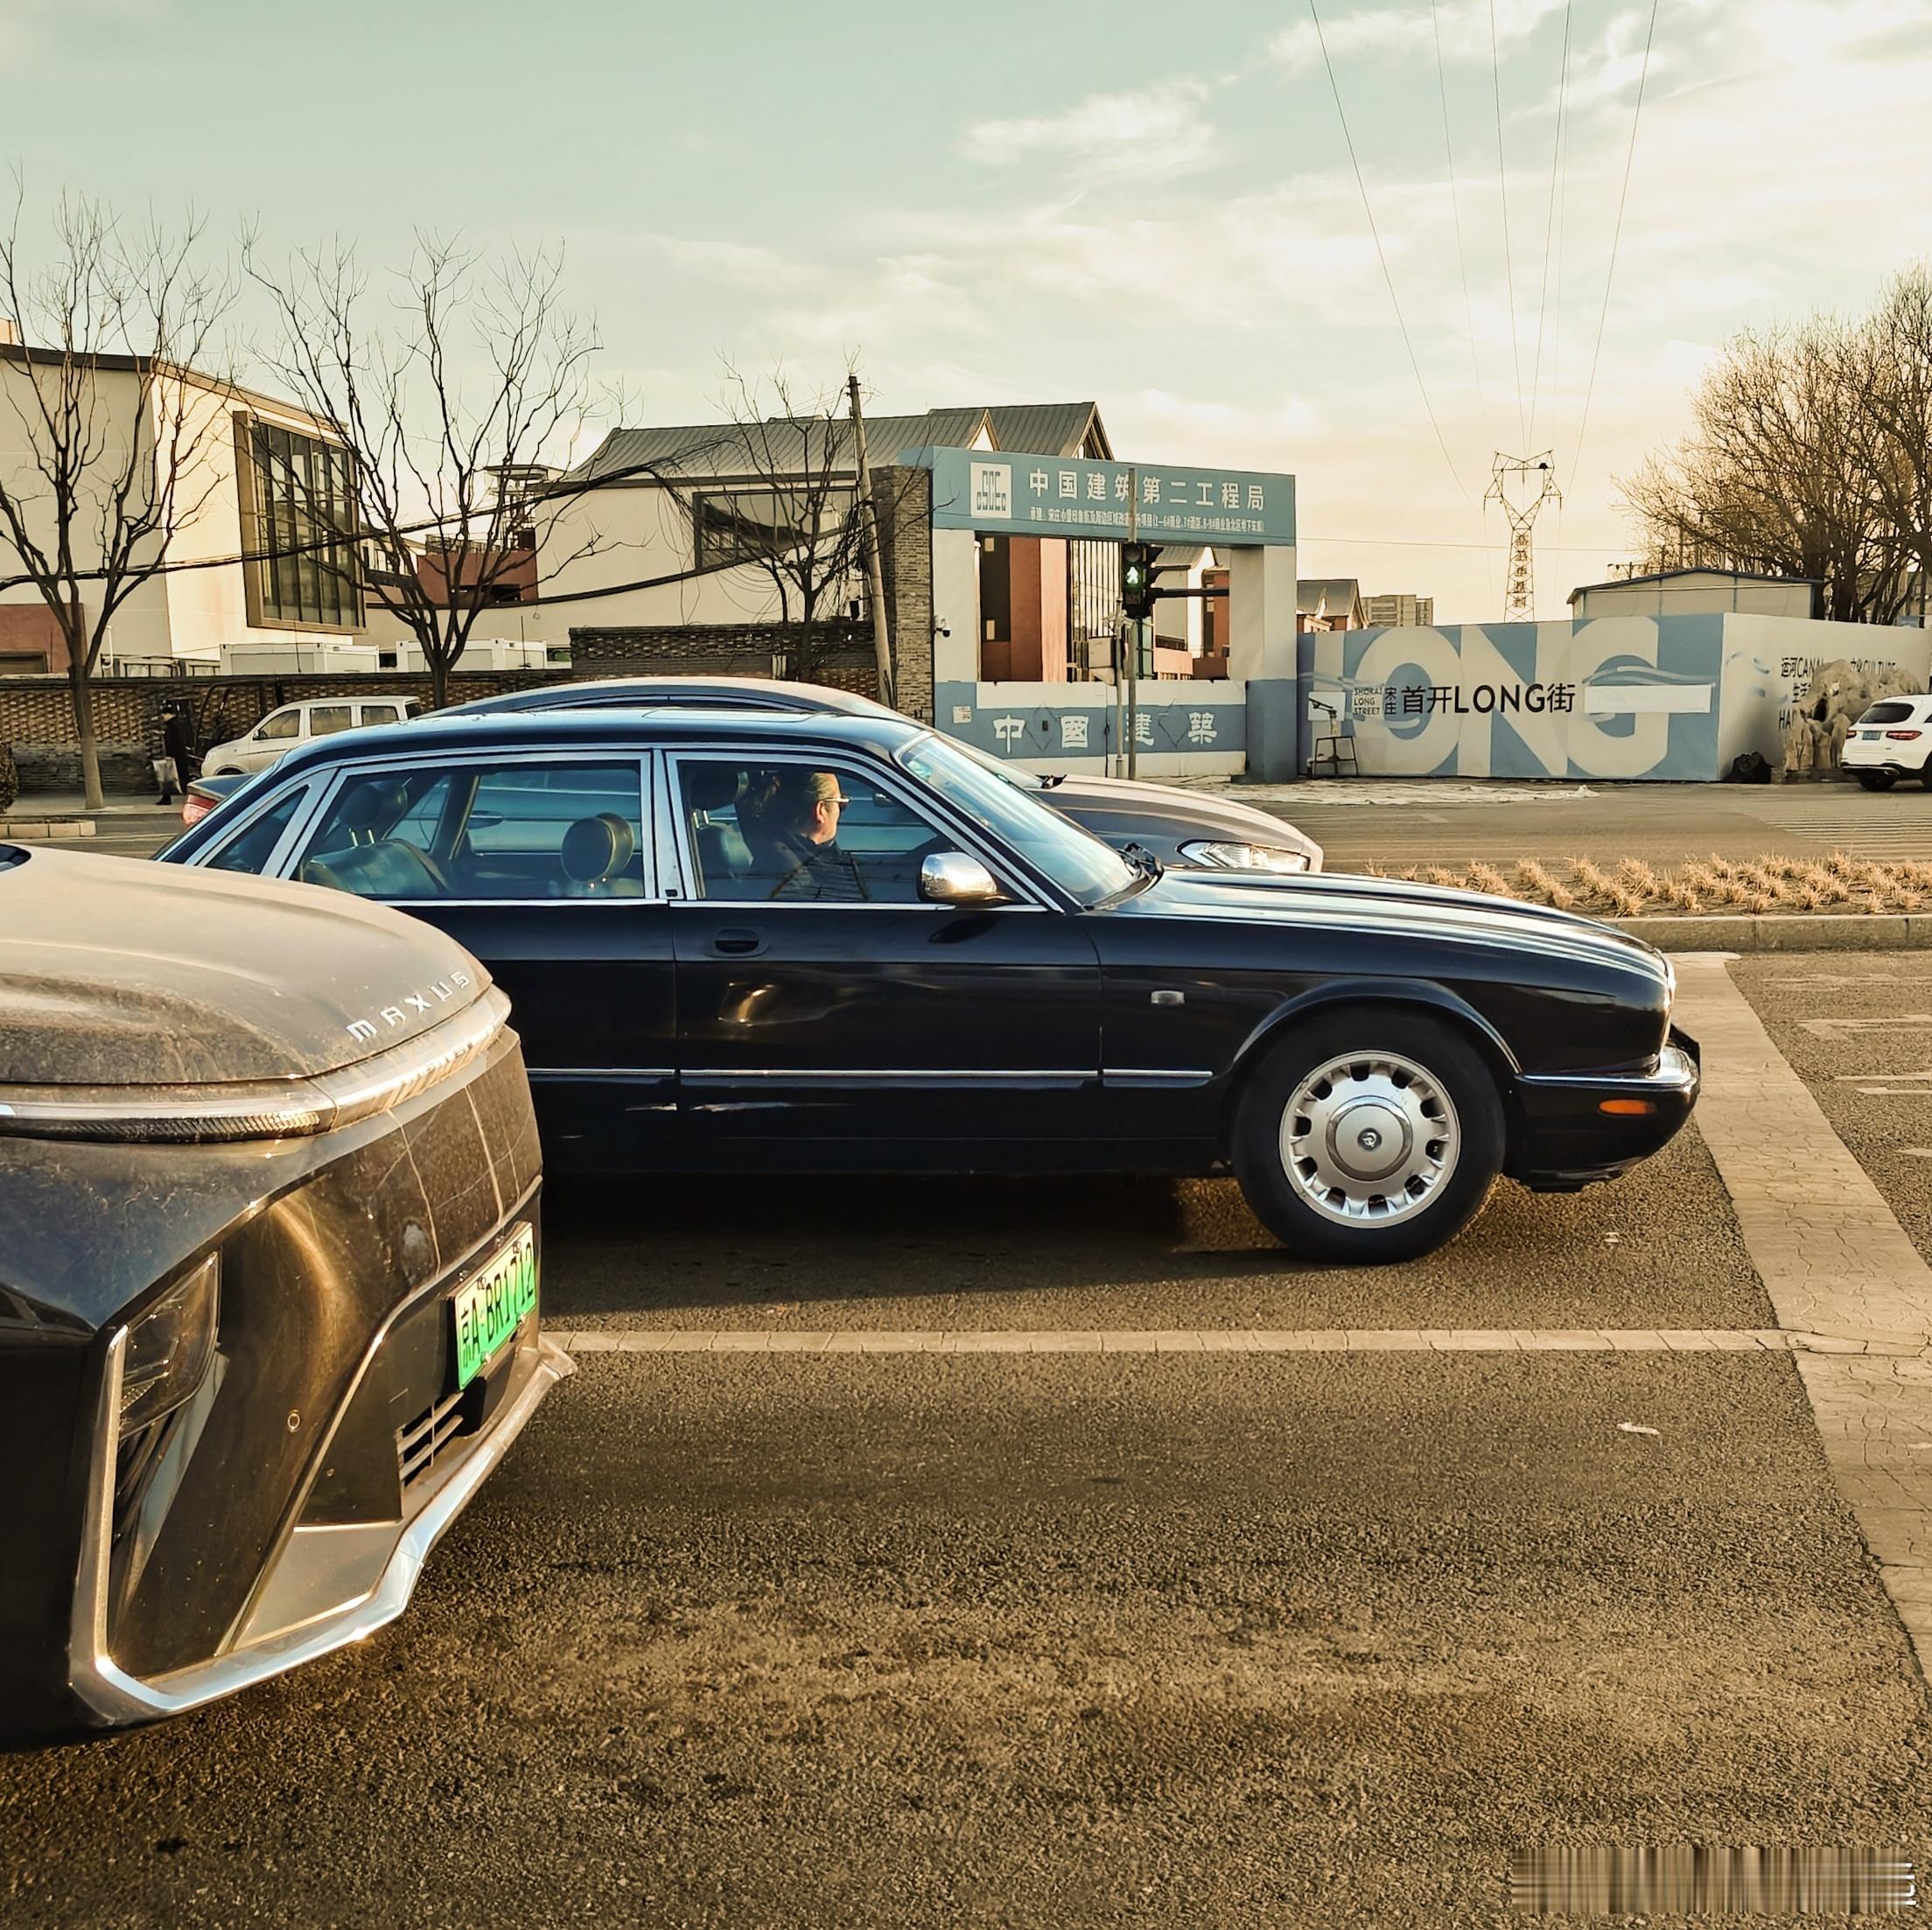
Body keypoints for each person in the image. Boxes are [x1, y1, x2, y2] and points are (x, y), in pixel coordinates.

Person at [764, 769, 868, 902]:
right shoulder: (803, 878)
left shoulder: (776, 858)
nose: (841, 811)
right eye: (841, 804)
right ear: (820, 811)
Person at [152, 701, 193, 805]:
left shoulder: (172, 725)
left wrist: (169, 755)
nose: (163, 718)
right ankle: (189, 796)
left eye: (163, 716)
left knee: (171, 777)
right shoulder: (177, 724)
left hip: (175, 756)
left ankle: (168, 798)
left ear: (167, 714)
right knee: (182, 777)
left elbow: (173, 741)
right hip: (180, 755)